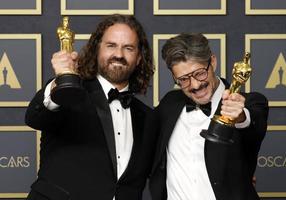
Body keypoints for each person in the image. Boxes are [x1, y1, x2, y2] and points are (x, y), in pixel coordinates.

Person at [25, 14, 157, 200]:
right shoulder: (71, 93)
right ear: (96, 50)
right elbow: (34, 117)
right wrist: (61, 82)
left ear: (139, 58)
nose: (118, 54)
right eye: (111, 45)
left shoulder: (148, 117)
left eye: (128, 48)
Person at [149, 33, 269, 200]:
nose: (195, 85)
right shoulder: (169, 104)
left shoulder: (250, 103)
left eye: (199, 73)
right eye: (183, 79)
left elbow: (252, 125)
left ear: (212, 61)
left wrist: (239, 116)